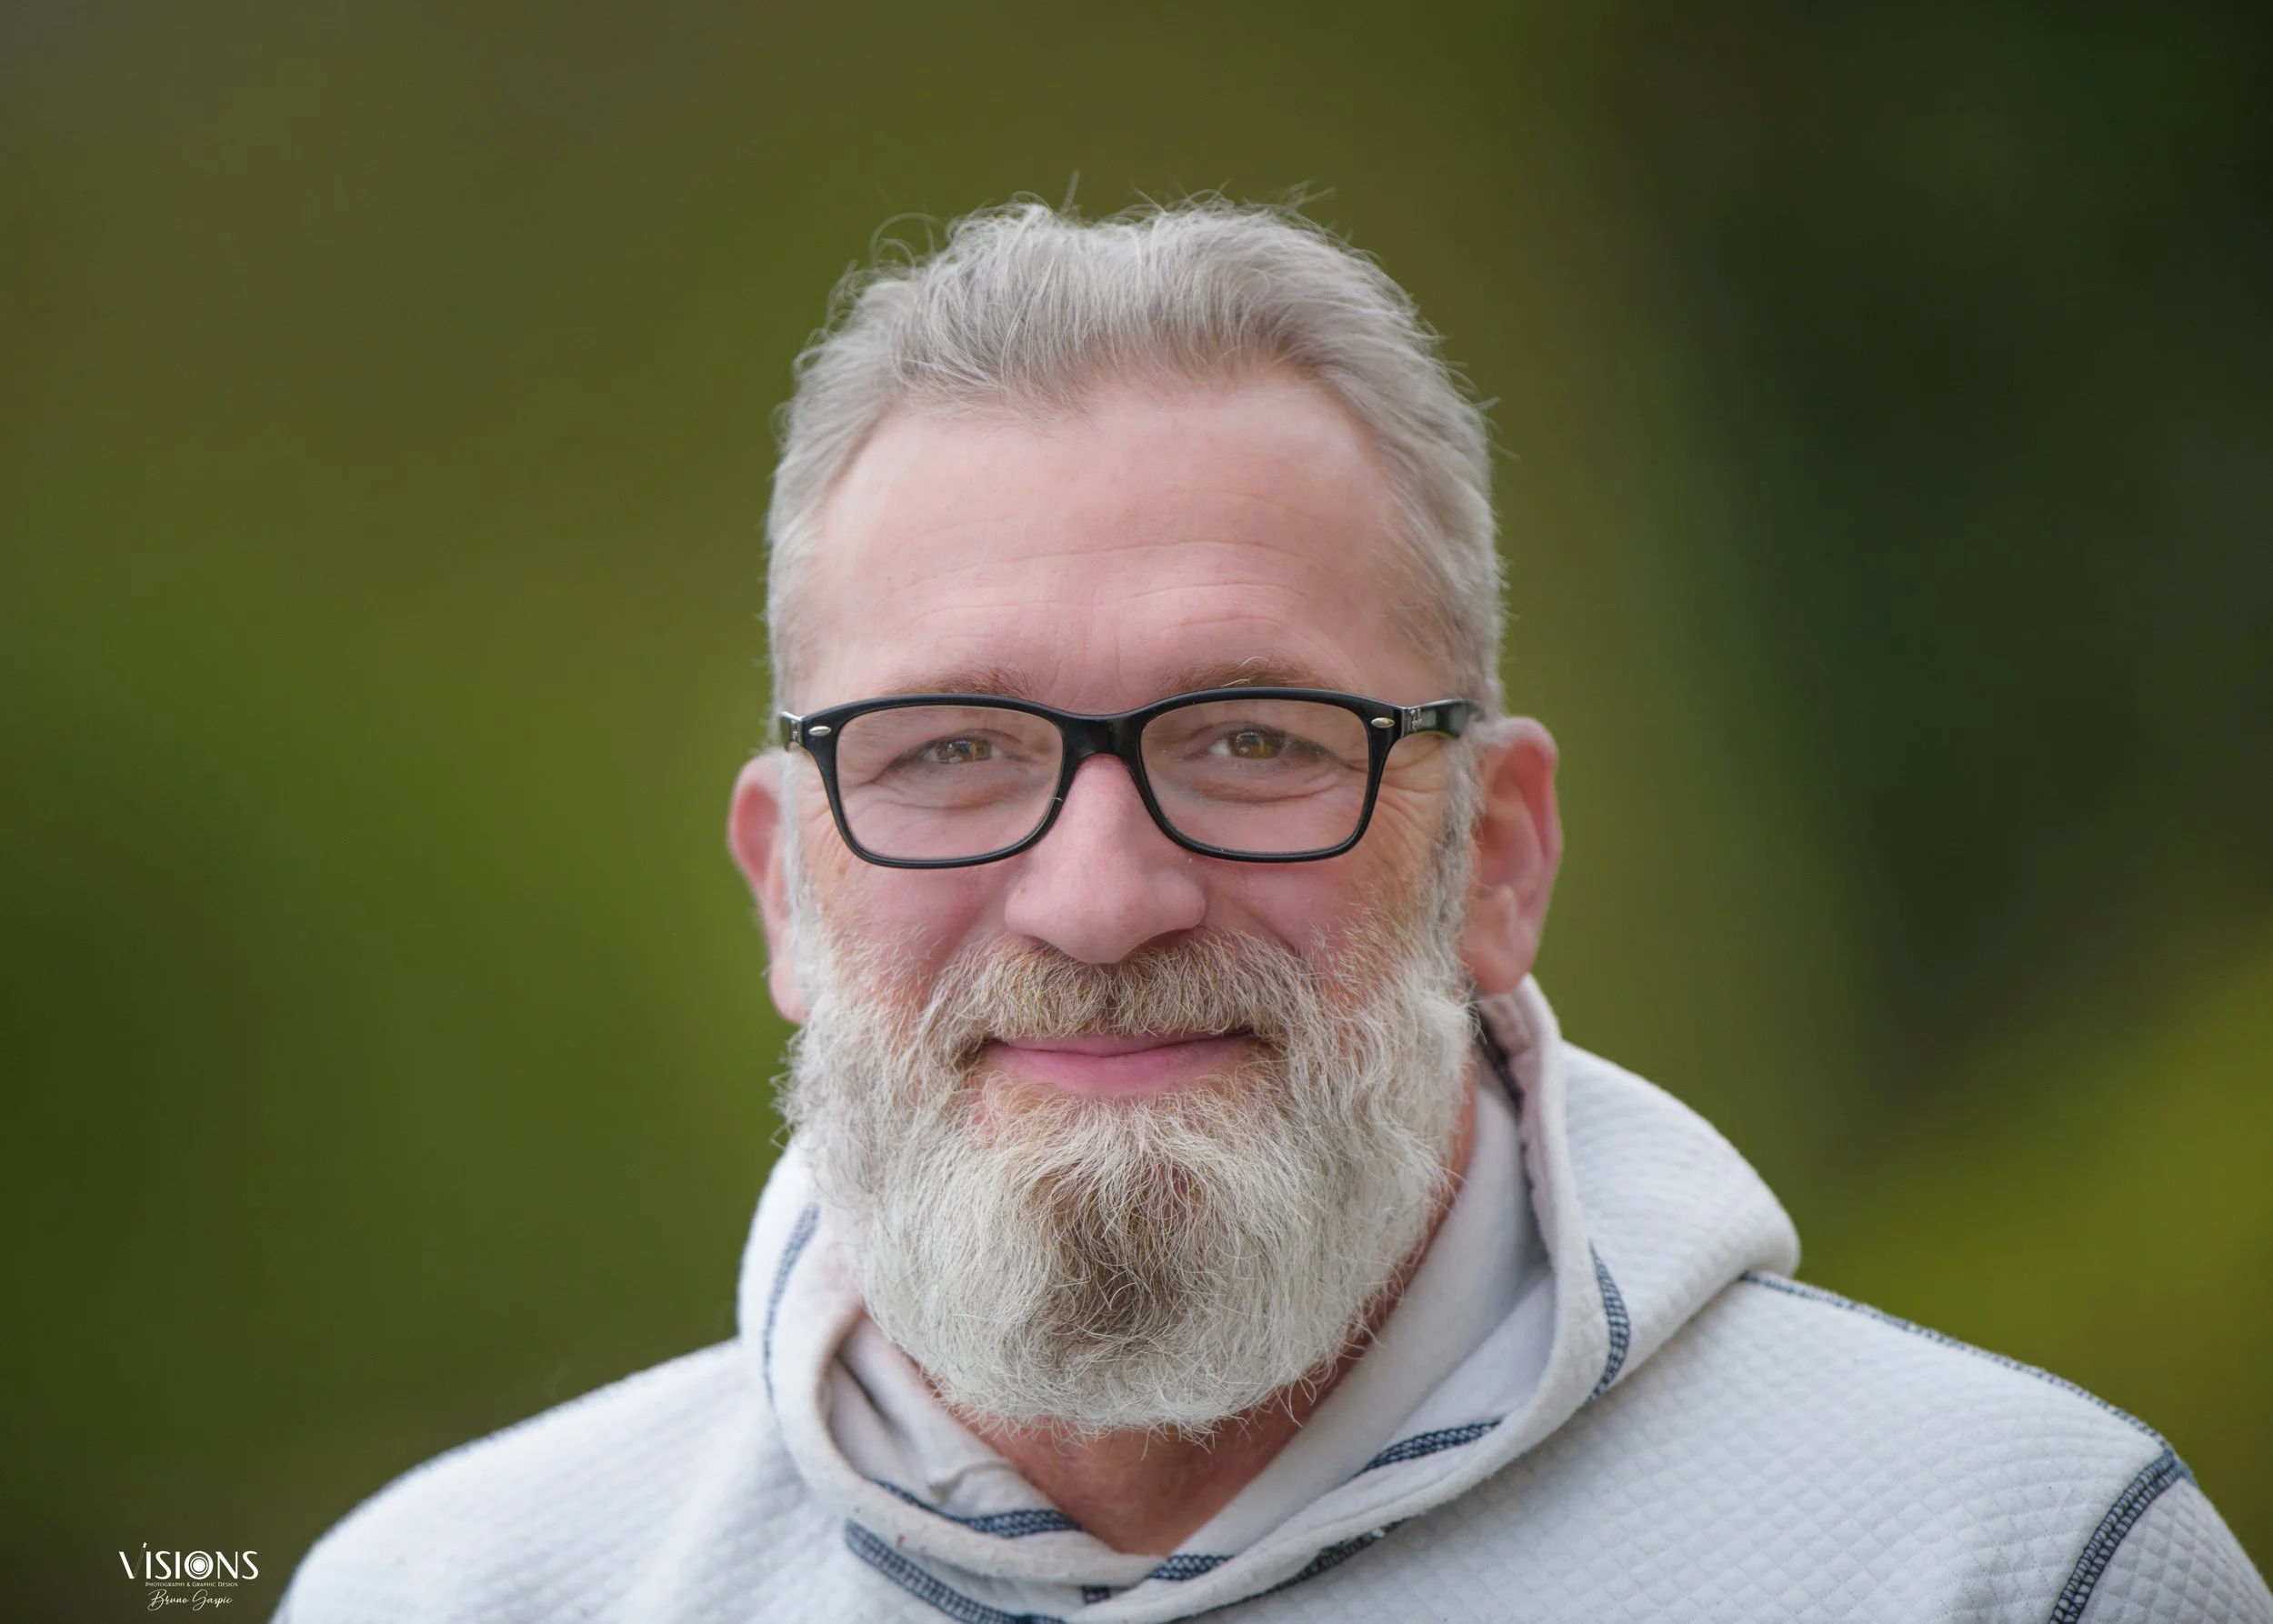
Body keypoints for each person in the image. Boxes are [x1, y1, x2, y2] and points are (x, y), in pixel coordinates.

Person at [278, 200, 2268, 1623]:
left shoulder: (2005, 1564)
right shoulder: (451, 1591)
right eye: (951, 748)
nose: (1097, 896)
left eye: (1248, 739)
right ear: (788, 883)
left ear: (1496, 854)